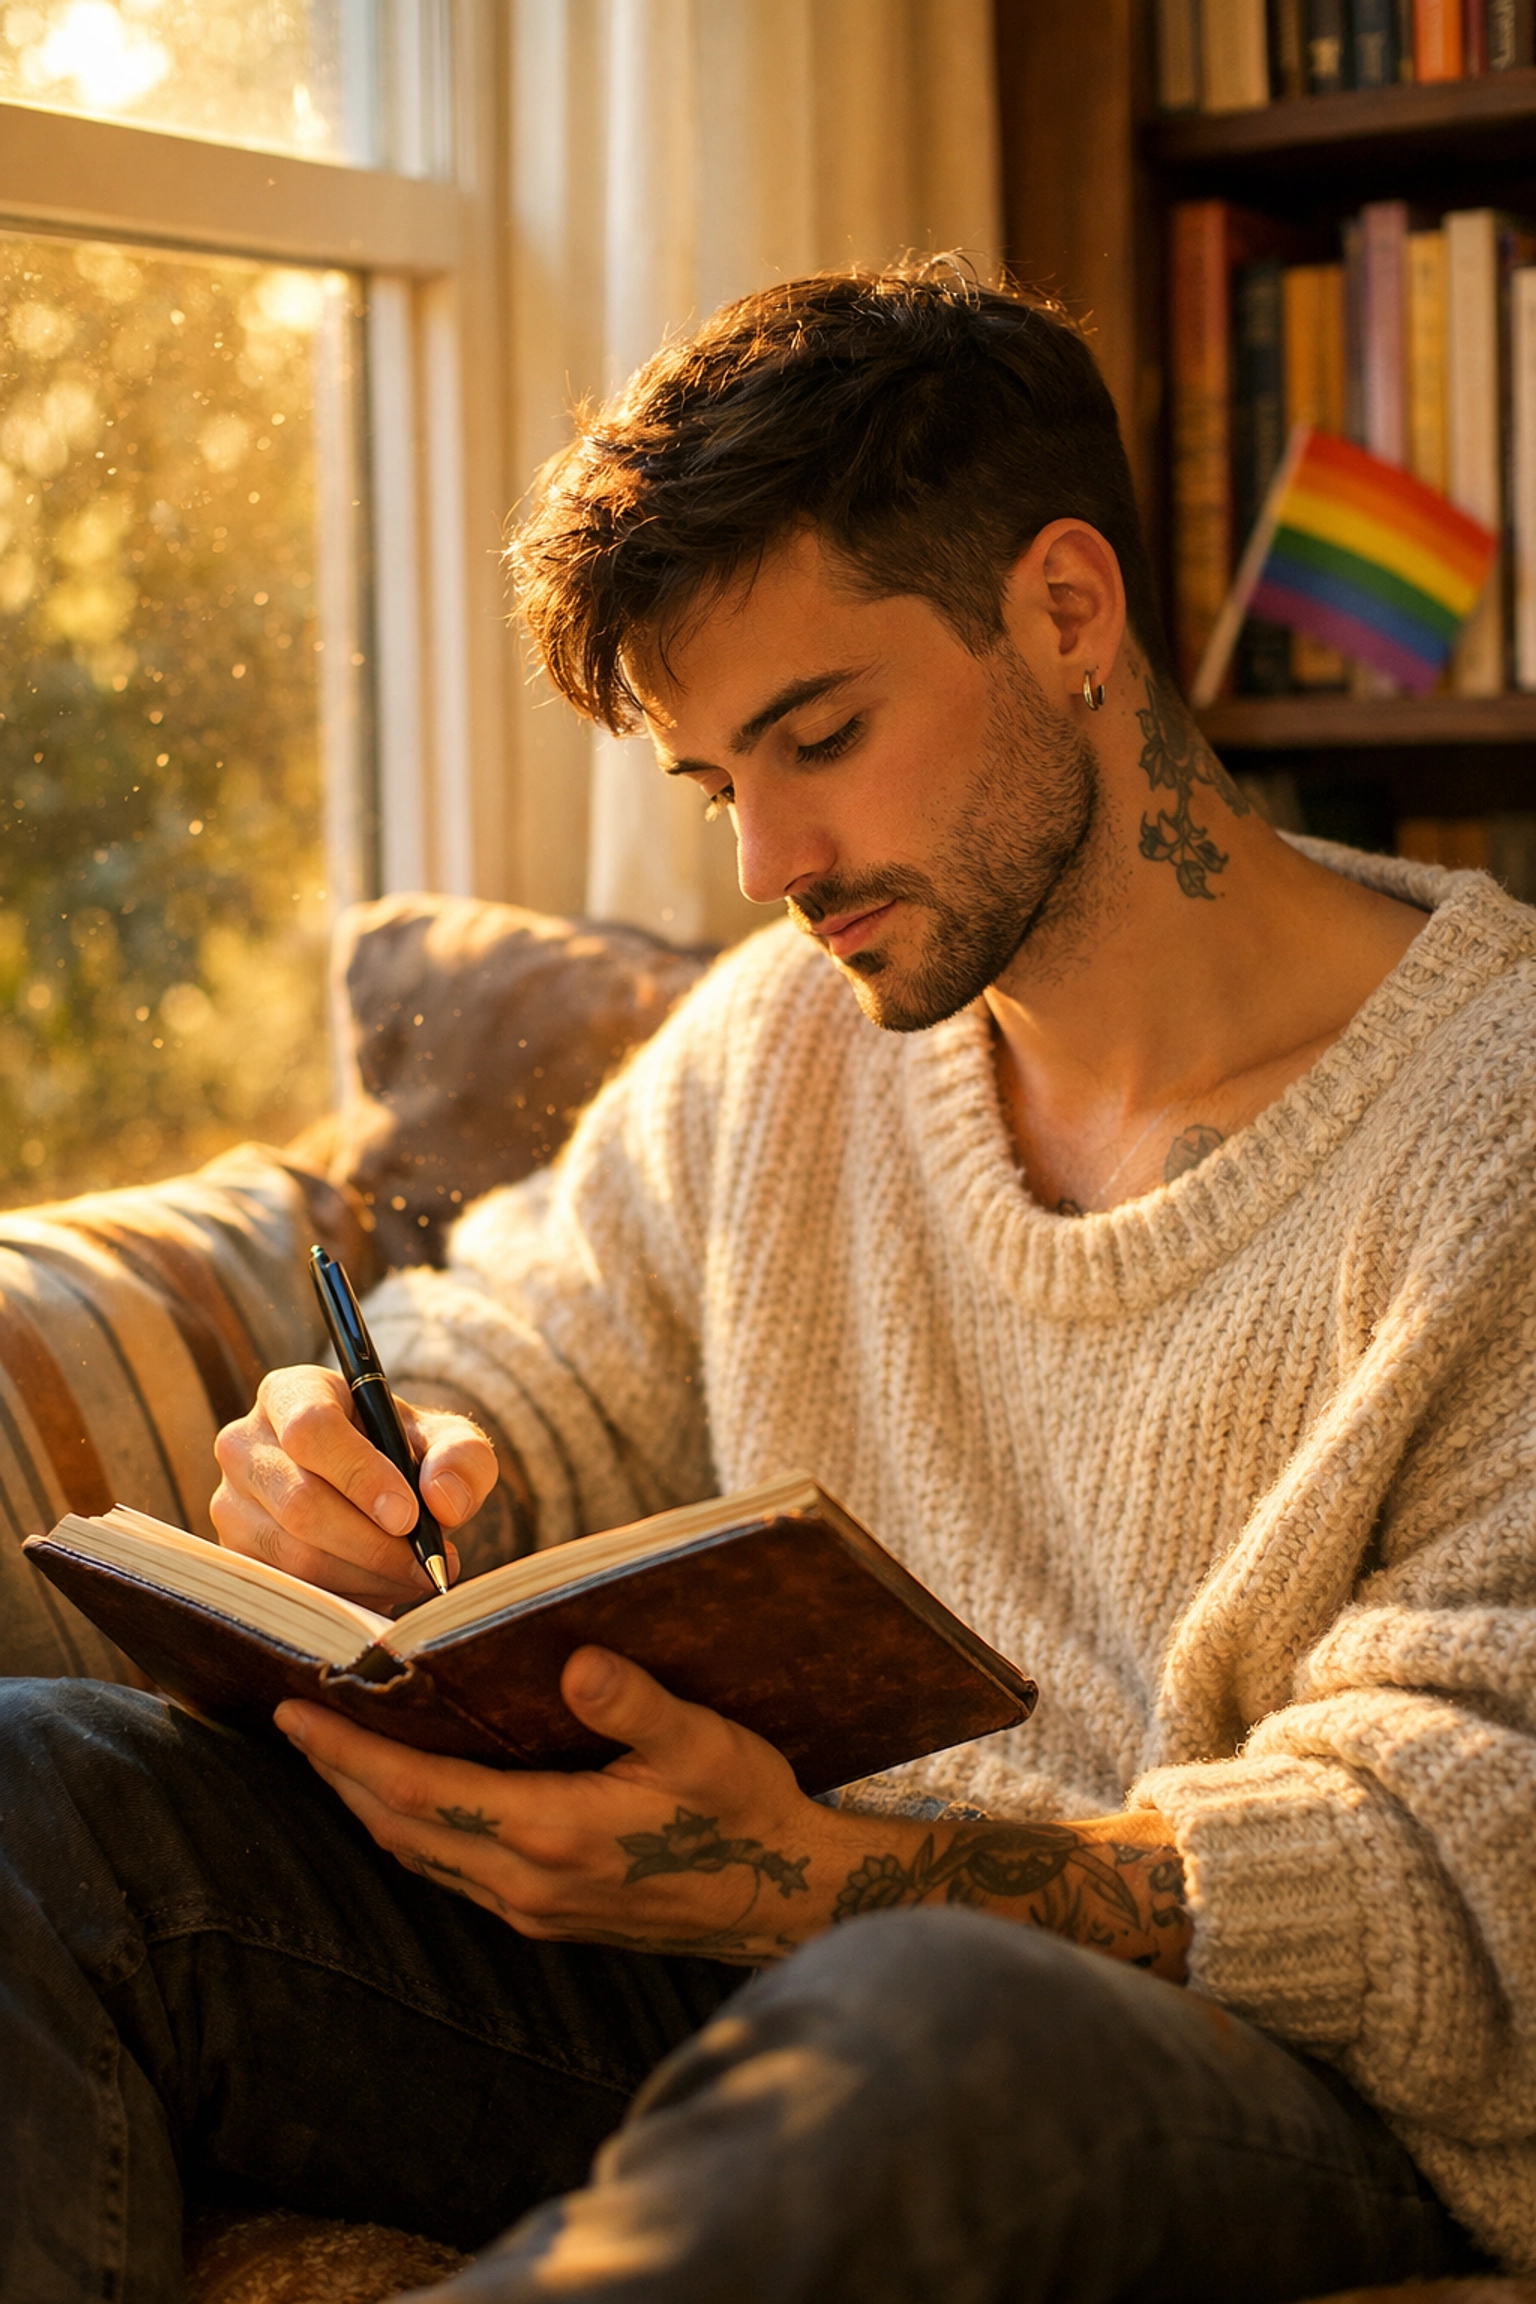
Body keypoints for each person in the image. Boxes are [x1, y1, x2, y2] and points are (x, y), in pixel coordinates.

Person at [3, 265, 1533, 2304]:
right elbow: (531, 1348)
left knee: (922, 2013)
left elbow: (1463, 1865)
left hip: (1243, 2083)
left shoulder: (1498, 1131)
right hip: (760, 1968)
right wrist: (395, 1460)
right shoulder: (786, 1038)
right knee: (37, 1789)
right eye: (723, 785)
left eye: (821, 736)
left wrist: (813, 1885)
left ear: (1067, 611)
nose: (769, 866)